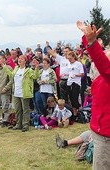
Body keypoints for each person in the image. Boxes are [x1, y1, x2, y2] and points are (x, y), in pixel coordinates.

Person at [77, 20, 110, 170]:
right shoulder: (101, 78)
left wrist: (91, 42)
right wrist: (88, 38)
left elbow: (102, 63)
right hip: (100, 131)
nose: (105, 54)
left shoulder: (107, 74)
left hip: (106, 135)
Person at [2, 55, 40, 132]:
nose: (19, 60)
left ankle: (25, 125)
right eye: (19, 58)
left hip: (24, 93)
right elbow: (11, 75)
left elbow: (35, 76)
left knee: (25, 109)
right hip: (16, 93)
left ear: (25, 61)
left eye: (21, 59)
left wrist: (36, 68)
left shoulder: (28, 70)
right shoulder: (16, 68)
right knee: (17, 109)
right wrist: (4, 67)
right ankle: (18, 124)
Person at [66, 51, 84, 116]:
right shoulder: (69, 64)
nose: (69, 60)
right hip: (69, 82)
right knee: (71, 98)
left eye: (70, 58)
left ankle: (79, 109)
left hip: (76, 83)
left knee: (75, 98)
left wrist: (76, 75)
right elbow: (69, 73)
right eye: (68, 59)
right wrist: (66, 74)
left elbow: (82, 74)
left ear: (74, 57)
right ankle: (74, 112)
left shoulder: (78, 64)